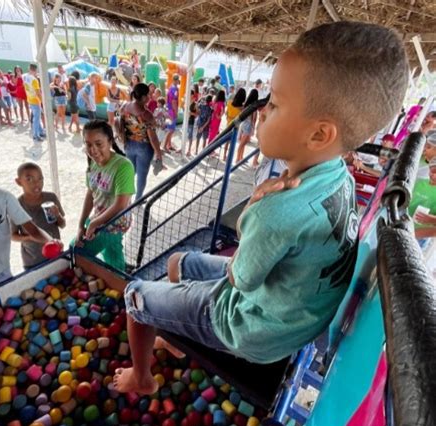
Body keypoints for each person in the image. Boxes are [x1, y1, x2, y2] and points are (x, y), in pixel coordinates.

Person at [112, 21, 409, 394]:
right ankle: (175, 331)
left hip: (251, 327)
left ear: (319, 134)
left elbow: (241, 277)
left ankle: (142, 379)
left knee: (135, 294)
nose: (261, 112)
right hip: (294, 310)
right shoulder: (340, 177)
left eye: (274, 102)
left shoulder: (275, 211)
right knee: (177, 263)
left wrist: (255, 206)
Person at [0, 142, 62, 332]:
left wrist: (50, 240)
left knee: (8, 320)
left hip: (2, 272)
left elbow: (31, 228)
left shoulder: (3, 198)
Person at [75, 120, 135, 271]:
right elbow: (90, 193)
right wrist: (81, 225)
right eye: (88, 144)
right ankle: (120, 275)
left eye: (98, 144)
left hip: (116, 222)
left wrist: (94, 224)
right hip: (99, 218)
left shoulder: (124, 166)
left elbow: (120, 204)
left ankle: (117, 276)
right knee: (112, 255)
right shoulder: (93, 164)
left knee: (76, 250)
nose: (93, 150)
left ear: (110, 141)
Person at [115, 83, 164, 201]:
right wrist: (159, 154)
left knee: (131, 172)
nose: (150, 97)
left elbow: (118, 120)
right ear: (142, 97)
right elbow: (153, 138)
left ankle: (126, 197)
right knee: (142, 175)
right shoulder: (147, 115)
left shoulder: (125, 106)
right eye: (148, 95)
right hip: (144, 148)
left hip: (129, 144)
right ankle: (138, 199)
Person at [12, 163, 66, 269]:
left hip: (55, 254)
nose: (37, 184)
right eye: (29, 179)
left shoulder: (51, 198)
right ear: (19, 182)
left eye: (40, 179)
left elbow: (62, 225)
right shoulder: (16, 205)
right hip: (33, 260)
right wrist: (30, 237)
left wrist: (58, 215)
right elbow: (13, 236)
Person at [410, 158, 436, 240]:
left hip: (417, 236)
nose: (434, 176)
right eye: (433, 171)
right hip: (400, 225)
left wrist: (432, 219)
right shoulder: (419, 182)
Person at [235, 89, 259, 162]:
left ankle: (241, 157)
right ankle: (238, 159)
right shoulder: (254, 106)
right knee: (242, 143)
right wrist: (253, 128)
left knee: (243, 143)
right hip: (248, 126)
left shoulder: (245, 104)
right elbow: (254, 119)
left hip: (243, 124)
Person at [223, 87, 246, 161]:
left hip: (228, 124)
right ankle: (229, 157)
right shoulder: (242, 108)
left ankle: (224, 155)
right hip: (236, 126)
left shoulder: (229, 103)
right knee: (232, 142)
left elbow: (226, 113)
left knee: (227, 141)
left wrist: (229, 118)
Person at [23, 63, 45, 141]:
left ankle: (41, 131)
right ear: (35, 70)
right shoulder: (34, 80)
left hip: (30, 99)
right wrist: (42, 102)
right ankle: (36, 135)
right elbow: (38, 93)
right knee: (36, 119)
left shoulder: (25, 77)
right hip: (35, 100)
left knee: (37, 117)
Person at [164, 74, 180, 153]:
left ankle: (169, 145)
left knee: (170, 129)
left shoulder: (170, 87)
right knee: (171, 130)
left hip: (169, 109)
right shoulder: (175, 89)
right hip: (172, 111)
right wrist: (176, 112)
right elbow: (174, 102)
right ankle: (165, 146)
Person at [186, 91, 198, 157]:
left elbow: (197, 114)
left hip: (191, 122)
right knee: (185, 135)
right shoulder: (186, 102)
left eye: (190, 94)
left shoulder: (195, 104)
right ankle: (183, 148)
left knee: (190, 136)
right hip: (185, 122)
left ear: (192, 95)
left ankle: (189, 150)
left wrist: (191, 113)